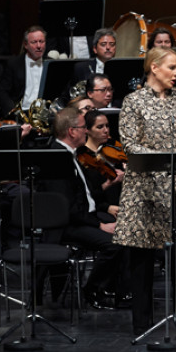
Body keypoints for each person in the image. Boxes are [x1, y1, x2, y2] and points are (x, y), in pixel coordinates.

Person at [113, 47, 176, 334]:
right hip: (144, 187)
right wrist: (166, 155)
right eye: (172, 67)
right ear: (154, 68)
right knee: (142, 258)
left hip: (175, 186)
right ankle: (142, 324)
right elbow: (129, 143)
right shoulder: (133, 101)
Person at [47, 107, 125, 309]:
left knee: (128, 231)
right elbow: (69, 209)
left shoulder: (70, 155)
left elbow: (87, 195)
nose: (86, 132)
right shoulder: (57, 158)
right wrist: (100, 225)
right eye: (83, 128)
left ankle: (115, 288)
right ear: (72, 131)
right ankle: (92, 290)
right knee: (114, 244)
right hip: (68, 225)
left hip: (84, 217)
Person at [0, 26, 47, 116]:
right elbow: (3, 92)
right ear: (26, 45)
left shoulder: (50, 63)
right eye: (34, 42)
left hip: (45, 113)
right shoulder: (13, 64)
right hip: (22, 112)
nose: (39, 46)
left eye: (41, 41)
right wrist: (13, 112)